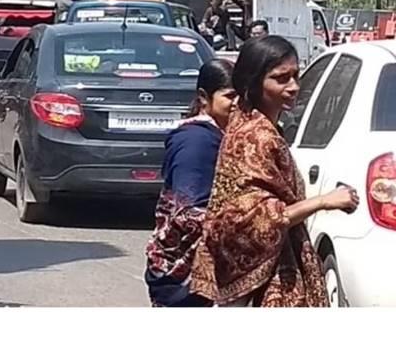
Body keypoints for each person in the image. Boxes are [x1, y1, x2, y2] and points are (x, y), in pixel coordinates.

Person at [190, 36, 359, 307]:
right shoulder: (255, 137)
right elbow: (261, 218)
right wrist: (325, 201)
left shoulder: (257, 124)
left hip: (275, 259)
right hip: (258, 276)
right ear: (253, 83)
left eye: (295, 75)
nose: (293, 86)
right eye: (281, 78)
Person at [144, 60, 235, 308]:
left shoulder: (221, 134)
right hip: (184, 274)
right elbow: (190, 212)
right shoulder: (196, 141)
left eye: (243, 96)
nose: (237, 104)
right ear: (204, 98)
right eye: (230, 96)